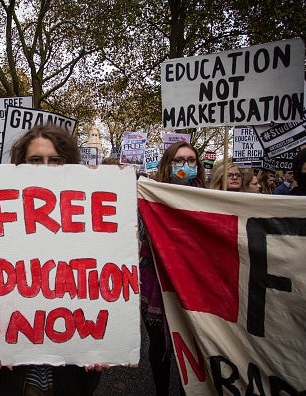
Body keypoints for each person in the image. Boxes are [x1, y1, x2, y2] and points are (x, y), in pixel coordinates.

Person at [0, 125, 104, 396]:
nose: (45, 167)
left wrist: (103, 344)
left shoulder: (89, 220)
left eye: (55, 160)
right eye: (36, 160)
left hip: (69, 370)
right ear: (21, 164)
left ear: (68, 164)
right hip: (17, 372)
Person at [140, 140, 203, 395]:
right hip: (156, 280)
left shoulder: (210, 198)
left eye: (190, 161)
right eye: (178, 161)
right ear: (167, 164)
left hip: (194, 283)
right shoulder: (150, 195)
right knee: (159, 346)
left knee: (194, 344)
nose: (184, 166)